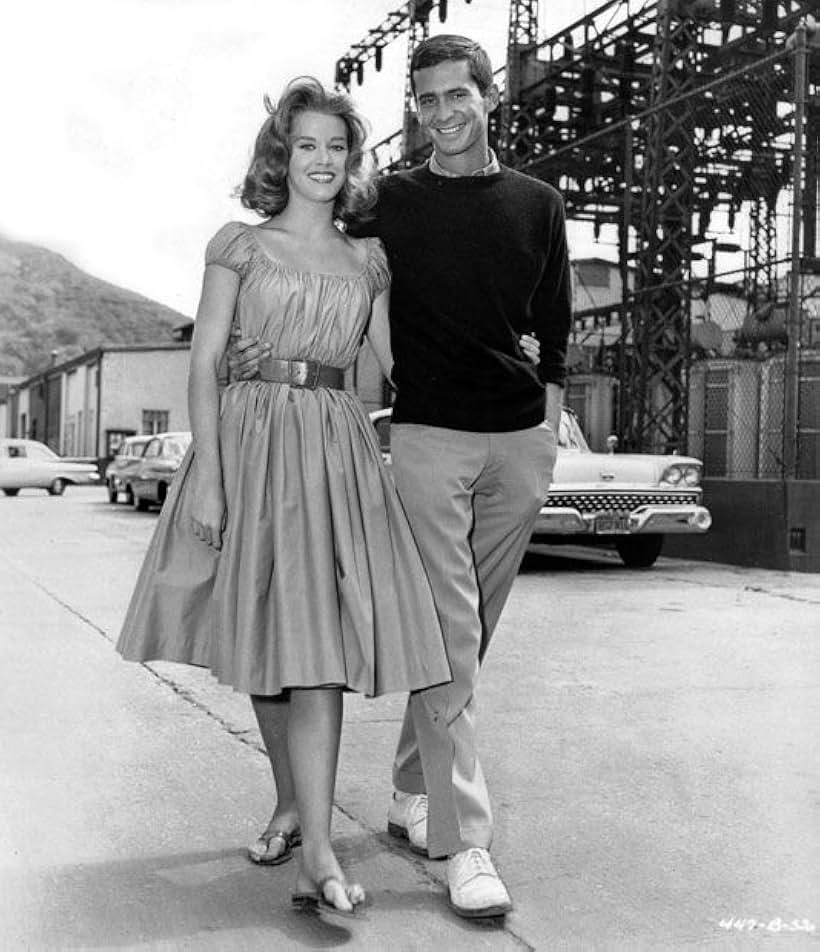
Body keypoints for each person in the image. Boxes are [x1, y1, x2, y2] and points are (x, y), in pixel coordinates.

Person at [232, 34, 572, 919]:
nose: (444, 113)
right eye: (427, 101)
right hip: (426, 437)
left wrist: (549, 416)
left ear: (490, 97)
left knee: (472, 636)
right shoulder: (391, 203)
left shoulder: (539, 203)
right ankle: (466, 847)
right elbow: (317, 259)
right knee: (450, 637)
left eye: (459, 94)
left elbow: (554, 319)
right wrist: (266, 352)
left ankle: (412, 791)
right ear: (414, 110)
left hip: (519, 440)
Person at [115, 77, 456, 916]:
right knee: (272, 648)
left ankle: (317, 853)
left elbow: (405, 359)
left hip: (335, 451)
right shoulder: (239, 244)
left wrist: (497, 348)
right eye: (307, 145)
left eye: (338, 147)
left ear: (352, 161)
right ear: (282, 154)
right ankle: (295, 805)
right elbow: (204, 365)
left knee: (319, 660)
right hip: (251, 445)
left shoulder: (367, 259)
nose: (323, 160)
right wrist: (214, 479)